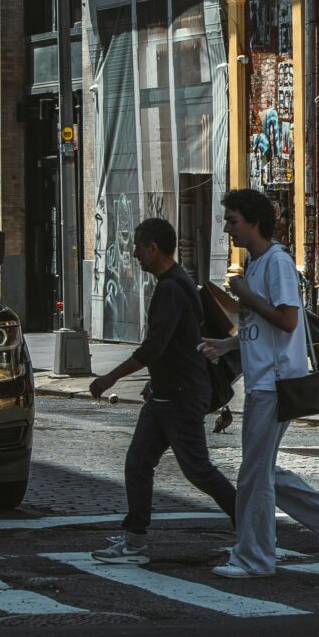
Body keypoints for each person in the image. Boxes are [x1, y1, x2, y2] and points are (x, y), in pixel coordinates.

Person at [198, 190, 319, 578]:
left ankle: (255, 558)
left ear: (253, 222)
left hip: (276, 383)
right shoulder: (254, 263)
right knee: (260, 470)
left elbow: (287, 320)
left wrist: (246, 297)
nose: (227, 227)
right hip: (262, 381)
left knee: (253, 475)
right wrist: (228, 343)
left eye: (232, 220)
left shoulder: (277, 263)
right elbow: (261, 327)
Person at [87, 217, 237, 565]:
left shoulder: (171, 288)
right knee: (138, 463)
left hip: (181, 395)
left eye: (138, 247)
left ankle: (253, 528)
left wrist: (109, 378)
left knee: (198, 470)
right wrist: (152, 383)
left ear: (153, 248)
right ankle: (134, 539)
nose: (135, 254)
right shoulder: (176, 281)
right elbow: (173, 346)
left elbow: (155, 347)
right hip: (165, 393)